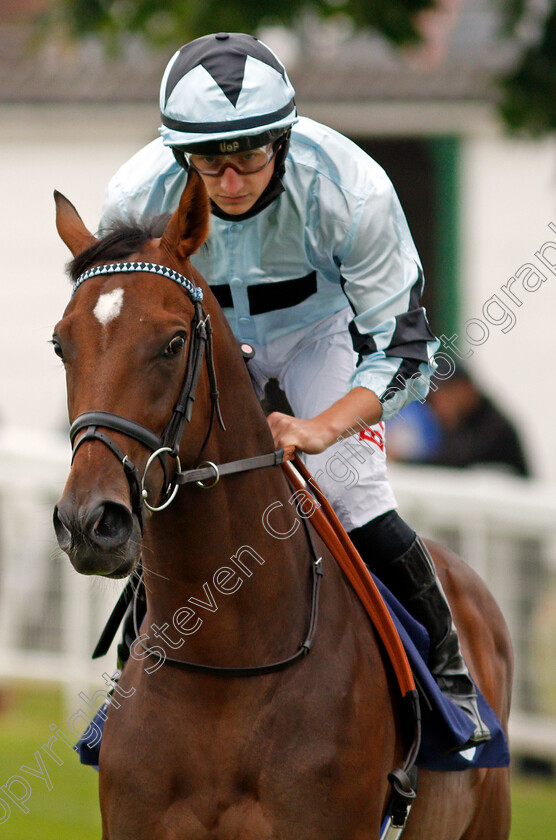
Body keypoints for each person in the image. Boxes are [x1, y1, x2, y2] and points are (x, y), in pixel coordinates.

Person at [99, 32, 489, 745]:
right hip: (209, 338)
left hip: (322, 335)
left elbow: (407, 351)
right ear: (180, 153)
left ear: (282, 137)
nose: (231, 181)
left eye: (249, 155)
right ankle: (132, 673)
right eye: (209, 161)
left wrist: (324, 426)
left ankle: (445, 667)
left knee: (351, 485)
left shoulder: (354, 188)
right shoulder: (135, 197)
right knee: (165, 483)